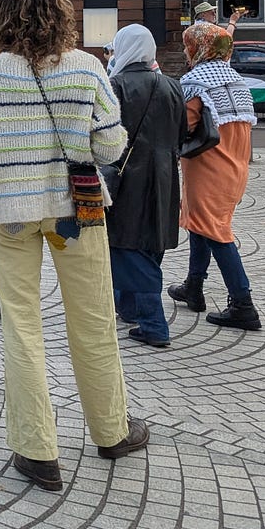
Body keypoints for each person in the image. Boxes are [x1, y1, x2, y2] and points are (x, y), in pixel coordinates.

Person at [0, 0, 145, 494]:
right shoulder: (87, 66)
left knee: (22, 326)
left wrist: (13, 152)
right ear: (60, 15)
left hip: (11, 212)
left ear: (2, 17)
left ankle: (37, 451)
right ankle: (111, 431)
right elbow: (109, 147)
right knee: (93, 320)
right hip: (77, 210)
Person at [168, 22, 264, 330]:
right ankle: (193, 287)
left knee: (218, 234)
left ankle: (242, 303)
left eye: (188, 45)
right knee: (203, 227)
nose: (186, 50)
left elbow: (183, 125)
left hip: (207, 170)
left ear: (198, 48)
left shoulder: (195, 82)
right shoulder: (236, 81)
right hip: (235, 169)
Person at [103, 24, 185, 348]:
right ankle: (131, 308)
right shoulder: (172, 86)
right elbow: (182, 135)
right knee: (151, 242)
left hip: (127, 179)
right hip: (165, 177)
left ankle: (153, 323)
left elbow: (106, 137)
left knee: (126, 245)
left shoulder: (116, 85)